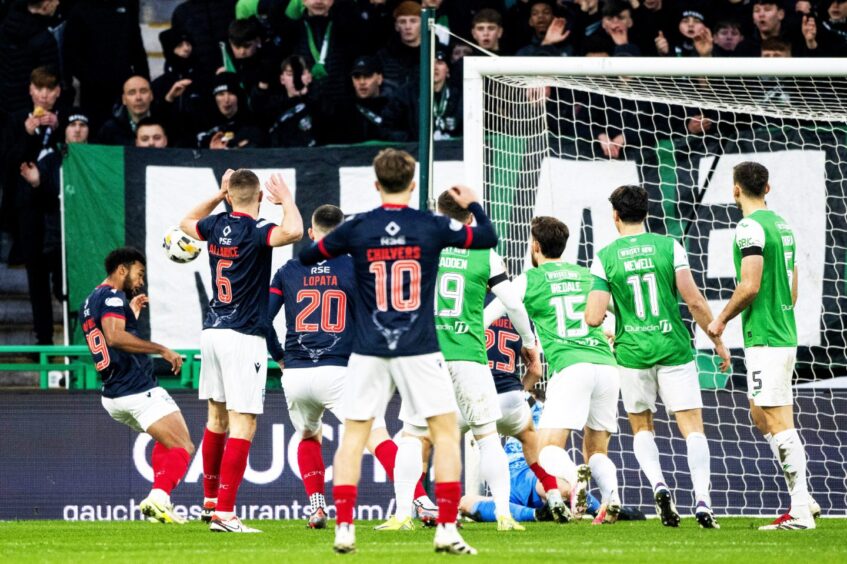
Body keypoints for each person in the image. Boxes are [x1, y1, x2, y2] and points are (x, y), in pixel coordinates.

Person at [298, 149, 498, 555]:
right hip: (419, 346)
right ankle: (445, 527)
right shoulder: (430, 224)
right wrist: (473, 201)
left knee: (354, 436)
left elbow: (307, 256)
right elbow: (487, 238)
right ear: (411, 185)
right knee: (444, 435)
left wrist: (348, 248)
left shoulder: (358, 227)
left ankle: (345, 529)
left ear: (375, 185)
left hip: (369, 347)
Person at [384, 190, 542, 533]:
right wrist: (529, 343)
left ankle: (401, 515)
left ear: (439, 213)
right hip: (469, 356)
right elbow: (513, 304)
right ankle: (503, 514)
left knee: (411, 435)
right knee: (486, 435)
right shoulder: (483, 251)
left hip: (426, 356)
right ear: (469, 217)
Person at [266, 204, 432, 529]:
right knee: (378, 437)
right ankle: (421, 500)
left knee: (308, 436)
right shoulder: (358, 268)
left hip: (297, 373)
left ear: (311, 234)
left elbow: (262, 319)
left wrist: (280, 357)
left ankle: (316, 507)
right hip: (340, 370)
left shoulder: (288, 269)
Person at [585, 184, 730, 529]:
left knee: (642, 427)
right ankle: (702, 501)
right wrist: (718, 340)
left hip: (633, 353)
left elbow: (593, 316)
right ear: (646, 213)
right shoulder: (669, 247)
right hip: (673, 347)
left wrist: (615, 325)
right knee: (693, 428)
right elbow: (693, 300)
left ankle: (659, 485)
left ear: (615, 216)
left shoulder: (605, 257)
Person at [179, 168, 303, 533]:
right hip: (243, 335)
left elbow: (186, 221)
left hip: (212, 331)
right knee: (243, 422)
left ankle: (210, 501)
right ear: (261, 198)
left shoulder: (215, 226)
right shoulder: (257, 230)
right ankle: (226, 513)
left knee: (216, 419)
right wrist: (288, 200)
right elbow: (294, 231)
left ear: (230, 195)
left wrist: (219, 195)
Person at [485, 216, 623, 524]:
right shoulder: (588, 276)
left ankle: (577, 481)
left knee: (545, 449)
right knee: (596, 449)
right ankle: (611, 500)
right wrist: (612, 330)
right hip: (607, 366)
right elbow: (616, 312)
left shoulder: (527, 280)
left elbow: (492, 313)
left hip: (572, 366)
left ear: (535, 246)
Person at [706, 162, 818, 530]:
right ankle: (805, 498)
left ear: (736, 190)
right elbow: (793, 286)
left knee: (777, 419)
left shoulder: (749, 228)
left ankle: (801, 509)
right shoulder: (782, 226)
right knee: (759, 412)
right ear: (767, 188)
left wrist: (720, 320)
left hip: (767, 336)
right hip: (780, 330)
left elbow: (750, 284)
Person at [80, 247, 193, 524]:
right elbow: (115, 337)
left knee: (166, 441)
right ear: (122, 270)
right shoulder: (112, 295)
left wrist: (131, 314)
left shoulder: (93, 298)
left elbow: (112, 334)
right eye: (138, 273)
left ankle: (160, 505)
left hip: (113, 394)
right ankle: (158, 498)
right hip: (136, 388)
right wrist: (162, 349)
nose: (140, 281)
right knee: (183, 446)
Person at [460, 397, 647, 525]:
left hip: (523, 475)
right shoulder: (525, 417)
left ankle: (549, 511)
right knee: (465, 502)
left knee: (548, 483)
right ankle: (594, 508)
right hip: (514, 477)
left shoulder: (538, 412)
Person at [0, 0, 61, 115]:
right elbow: (48, 80)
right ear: (46, 5)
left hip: (4, 100)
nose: (57, 3)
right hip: (30, 108)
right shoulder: (45, 40)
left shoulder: (5, 26)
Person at [196, 72, 266, 149]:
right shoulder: (201, 124)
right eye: (221, 94)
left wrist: (229, 149)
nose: (226, 100)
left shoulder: (252, 127)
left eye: (231, 93)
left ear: (239, 97)